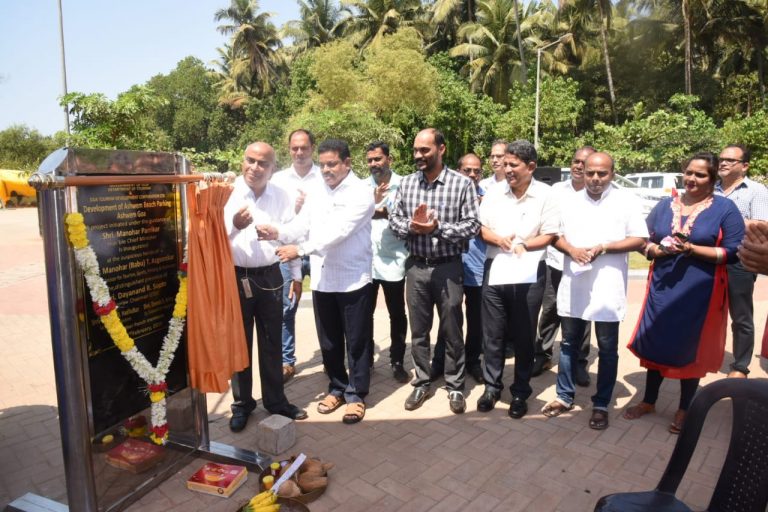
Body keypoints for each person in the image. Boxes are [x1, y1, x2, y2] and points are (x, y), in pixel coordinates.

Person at [624, 152, 745, 434]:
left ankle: (684, 408)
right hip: (663, 286)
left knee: (689, 348)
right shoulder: (667, 205)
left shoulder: (725, 209)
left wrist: (692, 249)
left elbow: (733, 252)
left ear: (713, 179)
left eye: (700, 174)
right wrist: (656, 250)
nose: (692, 178)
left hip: (700, 289)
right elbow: (645, 240)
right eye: (689, 172)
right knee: (656, 340)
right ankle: (649, 401)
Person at [540, 152, 647, 430]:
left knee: (608, 348)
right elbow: (553, 235)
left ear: (612, 173)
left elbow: (639, 238)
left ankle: (601, 403)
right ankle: (564, 396)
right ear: (582, 171)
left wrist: (604, 247)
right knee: (568, 343)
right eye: (591, 173)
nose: (596, 179)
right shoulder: (568, 202)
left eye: (602, 173)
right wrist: (572, 250)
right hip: (574, 283)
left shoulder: (627, 201)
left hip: (608, 286)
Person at [277, 139, 374, 424]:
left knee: (356, 341)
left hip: (353, 278)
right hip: (323, 278)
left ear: (347, 163)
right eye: (323, 165)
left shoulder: (361, 192)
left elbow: (339, 231)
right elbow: (301, 224)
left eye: (332, 164)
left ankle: (356, 395)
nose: (327, 170)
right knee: (329, 342)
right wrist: (278, 231)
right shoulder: (316, 190)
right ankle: (337, 388)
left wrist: (302, 249)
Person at [389, 128, 480, 414]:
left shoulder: (461, 184)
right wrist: (412, 227)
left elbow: (473, 225)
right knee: (419, 331)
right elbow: (394, 220)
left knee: (452, 329)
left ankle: (455, 386)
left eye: (424, 150)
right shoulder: (406, 184)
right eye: (416, 150)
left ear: (441, 149)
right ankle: (423, 381)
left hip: (448, 268)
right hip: (416, 267)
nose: (418, 155)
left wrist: (438, 228)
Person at [224, 142, 308, 432]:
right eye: (250, 160)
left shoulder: (281, 196)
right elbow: (210, 238)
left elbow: (291, 235)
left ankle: (275, 401)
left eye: (263, 164)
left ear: (273, 168)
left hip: (272, 276)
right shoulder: (227, 193)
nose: (255, 168)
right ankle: (242, 404)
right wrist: (234, 224)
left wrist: (296, 276)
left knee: (272, 342)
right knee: (239, 344)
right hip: (237, 277)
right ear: (242, 160)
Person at [476, 140, 558, 419]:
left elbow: (551, 234)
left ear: (531, 167)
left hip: (529, 271)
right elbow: (482, 228)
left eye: (513, 165)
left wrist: (526, 244)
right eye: (505, 164)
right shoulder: (494, 192)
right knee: (493, 334)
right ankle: (491, 387)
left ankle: (521, 391)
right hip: (496, 267)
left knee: (524, 335)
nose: (507, 169)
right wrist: (499, 239)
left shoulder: (547, 195)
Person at [533, 147, 595, 383]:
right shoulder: (557, 190)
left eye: (584, 162)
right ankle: (543, 354)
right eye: (575, 161)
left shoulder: (598, 193)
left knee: (582, 312)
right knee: (549, 310)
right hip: (556, 261)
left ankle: (580, 362)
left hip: (584, 264)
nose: (579, 166)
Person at [431, 153, 487, 384]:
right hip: (451, 265)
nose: (473, 175)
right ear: (458, 170)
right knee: (448, 318)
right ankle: (440, 362)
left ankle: (473, 362)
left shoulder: (490, 199)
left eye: (477, 171)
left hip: (478, 268)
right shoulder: (449, 192)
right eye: (467, 170)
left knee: (476, 321)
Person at [270, 129, 321, 383]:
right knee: (286, 308)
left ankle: (335, 358)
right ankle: (286, 362)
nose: (299, 152)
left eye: (304, 147)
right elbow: (275, 217)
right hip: (289, 253)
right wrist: (294, 209)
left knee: (327, 310)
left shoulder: (325, 176)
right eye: (294, 148)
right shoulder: (278, 180)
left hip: (320, 252)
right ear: (288, 149)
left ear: (313, 147)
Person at [714, 144, 768, 378]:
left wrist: (726, 221)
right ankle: (699, 355)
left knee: (741, 314)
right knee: (703, 310)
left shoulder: (756, 190)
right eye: (721, 159)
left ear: (744, 166)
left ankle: (740, 366)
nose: (723, 163)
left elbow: (761, 227)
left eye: (730, 160)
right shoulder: (711, 189)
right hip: (709, 257)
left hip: (740, 260)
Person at [365, 141, 410, 383]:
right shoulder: (361, 187)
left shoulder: (404, 185)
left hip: (395, 259)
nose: (374, 164)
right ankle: (367, 360)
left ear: (389, 160)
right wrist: (373, 205)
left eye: (378, 159)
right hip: (366, 261)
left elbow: (408, 216)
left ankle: (397, 360)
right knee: (365, 313)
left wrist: (381, 211)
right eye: (370, 160)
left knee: (397, 313)